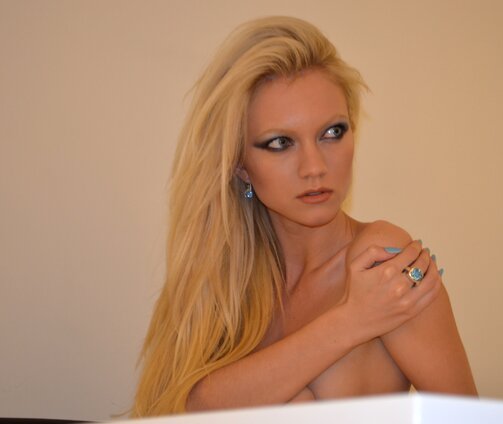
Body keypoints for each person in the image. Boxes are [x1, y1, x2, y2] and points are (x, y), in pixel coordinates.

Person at [132, 16, 476, 417]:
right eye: (281, 142)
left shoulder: (383, 261)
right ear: (240, 166)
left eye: (332, 133)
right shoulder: (226, 279)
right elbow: (189, 408)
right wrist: (351, 321)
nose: (314, 167)